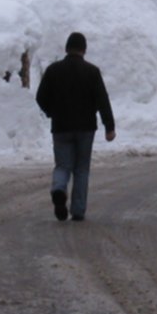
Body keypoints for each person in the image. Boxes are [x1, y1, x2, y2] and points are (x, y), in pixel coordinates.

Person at [35, 31, 116, 222]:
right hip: (85, 128)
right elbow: (102, 100)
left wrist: (51, 111)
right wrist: (109, 127)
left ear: (66, 48)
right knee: (81, 169)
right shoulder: (92, 72)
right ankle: (78, 210)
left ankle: (58, 189)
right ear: (84, 49)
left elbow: (40, 97)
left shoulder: (53, 70)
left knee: (62, 165)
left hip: (61, 127)